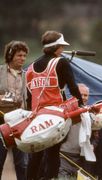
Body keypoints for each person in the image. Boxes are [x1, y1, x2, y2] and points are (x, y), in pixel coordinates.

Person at [26, 30, 83, 179]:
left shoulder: (30, 68)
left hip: (35, 117)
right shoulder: (61, 62)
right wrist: (82, 105)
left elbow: (28, 97)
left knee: (36, 156)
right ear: (56, 47)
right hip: (54, 116)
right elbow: (73, 87)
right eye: (61, 46)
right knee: (52, 155)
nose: (63, 49)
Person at [0, 40, 29, 180]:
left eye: (24, 55)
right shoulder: (0, 72)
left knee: (22, 163)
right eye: (19, 55)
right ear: (10, 55)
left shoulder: (27, 75)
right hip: (1, 123)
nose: (23, 58)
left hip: (21, 123)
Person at [59, 83, 90, 178]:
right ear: (75, 94)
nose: (83, 97)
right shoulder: (65, 110)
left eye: (86, 95)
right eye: (81, 94)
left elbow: (95, 135)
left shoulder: (89, 113)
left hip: (82, 157)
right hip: (63, 155)